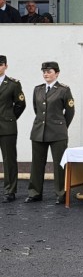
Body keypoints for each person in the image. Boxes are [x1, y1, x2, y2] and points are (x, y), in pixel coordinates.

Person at [27, 61, 74, 204]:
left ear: (57, 73)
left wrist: (61, 126)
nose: (46, 74)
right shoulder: (38, 89)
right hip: (38, 131)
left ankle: (61, 194)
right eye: (44, 71)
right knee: (36, 164)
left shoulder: (64, 90)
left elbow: (70, 111)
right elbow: (37, 109)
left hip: (57, 133)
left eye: (49, 71)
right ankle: (35, 193)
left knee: (59, 164)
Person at [0, 55, 26, 202]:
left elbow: (21, 104)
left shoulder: (13, 84)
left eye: (1, 65)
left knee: (9, 160)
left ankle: (10, 190)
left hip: (7, 127)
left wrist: (10, 117)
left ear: (6, 66)